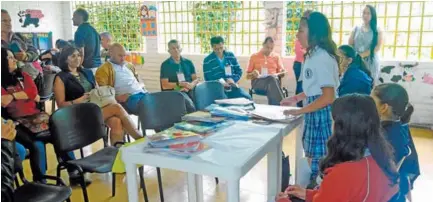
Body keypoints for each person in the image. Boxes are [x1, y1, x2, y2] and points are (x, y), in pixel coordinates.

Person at [277, 94, 399, 202]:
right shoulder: (383, 160)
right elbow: (343, 194)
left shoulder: (343, 173)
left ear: (342, 127)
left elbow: (341, 188)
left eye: (333, 120)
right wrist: (309, 194)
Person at [281, 12, 339, 188]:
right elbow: (315, 88)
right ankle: (310, 190)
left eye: (301, 30)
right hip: (315, 109)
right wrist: (297, 98)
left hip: (320, 114)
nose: (297, 34)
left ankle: (314, 191)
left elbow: (328, 96)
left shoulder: (320, 57)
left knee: (319, 159)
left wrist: (300, 111)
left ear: (314, 32)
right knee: (312, 155)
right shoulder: (313, 55)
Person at [55, 46, 143, 145]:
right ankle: (139, 138)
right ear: (65, 59)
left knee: (116, 121)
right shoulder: (61, 78)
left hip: (94, 108)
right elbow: (61, 105)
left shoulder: (86, 72)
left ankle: (117, 151)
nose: (78, 58)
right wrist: (80, 99)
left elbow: (97, 91)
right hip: (77, 114)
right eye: (73, 56)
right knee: (117, 107)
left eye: (79, 55)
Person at [371, 83, 420, 201]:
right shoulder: (399, 128)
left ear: (384, 108)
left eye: (371, 102)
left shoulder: (383, 136)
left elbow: (373, 172)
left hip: (384, 193)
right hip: (394, 188)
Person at [1, 9, 41, 79]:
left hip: (30, 78)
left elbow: (35, 53)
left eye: (9, 21)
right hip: (6, 83)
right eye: (4, 21)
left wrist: (26, 56)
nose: (9, 23)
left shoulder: (20, 37)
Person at [246, 37, 286, 105]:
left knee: (272, 80)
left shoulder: (276, 57)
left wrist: (282, 72)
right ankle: (281, 106)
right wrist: (253, 73)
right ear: (263, 45)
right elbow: (247, 76)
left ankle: (275, 109)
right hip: (258, 84)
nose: (269, 50)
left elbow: (282, 73)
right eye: (267, 47)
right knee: (272, 80)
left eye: (271, 48)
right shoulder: (254, 56)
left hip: (273, 84)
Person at [349, 5, 383, 83]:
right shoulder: (356, 28)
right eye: (364, 13)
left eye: (368, 13)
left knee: (369, 86)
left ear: (373, 15)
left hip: (371, 62)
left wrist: (361, 55)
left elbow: (377, 47)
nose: (365, 15)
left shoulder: (378, 29)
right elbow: (350, 44)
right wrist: (355, 57)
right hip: (356, 62)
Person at [160, 39, 197, 109]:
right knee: (189, 104)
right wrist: (180, 86)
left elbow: (195, 79)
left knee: (200, 99)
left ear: (181, 49)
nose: (176, 50)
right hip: (175, 91)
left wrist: (192, 84)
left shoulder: (188, 62)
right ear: (169, 51)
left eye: (178, 47)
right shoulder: (165, 65)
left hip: (189, 88)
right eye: (173, 48)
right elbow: (165, 85)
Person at [72, 8, 101, 74]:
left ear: (80, 17)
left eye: (74, 16)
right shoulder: (93, 30)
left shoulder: (79, 31)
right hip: (99, 67)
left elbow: (81, 53)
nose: (72, 19)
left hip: (88, 68)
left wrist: (77, 67)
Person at [292, 10, 312, 107]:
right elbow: (299, 52)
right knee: (300, 87)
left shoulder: (320, 55)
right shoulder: (301, 37)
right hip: (299, 63)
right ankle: (299, 107)